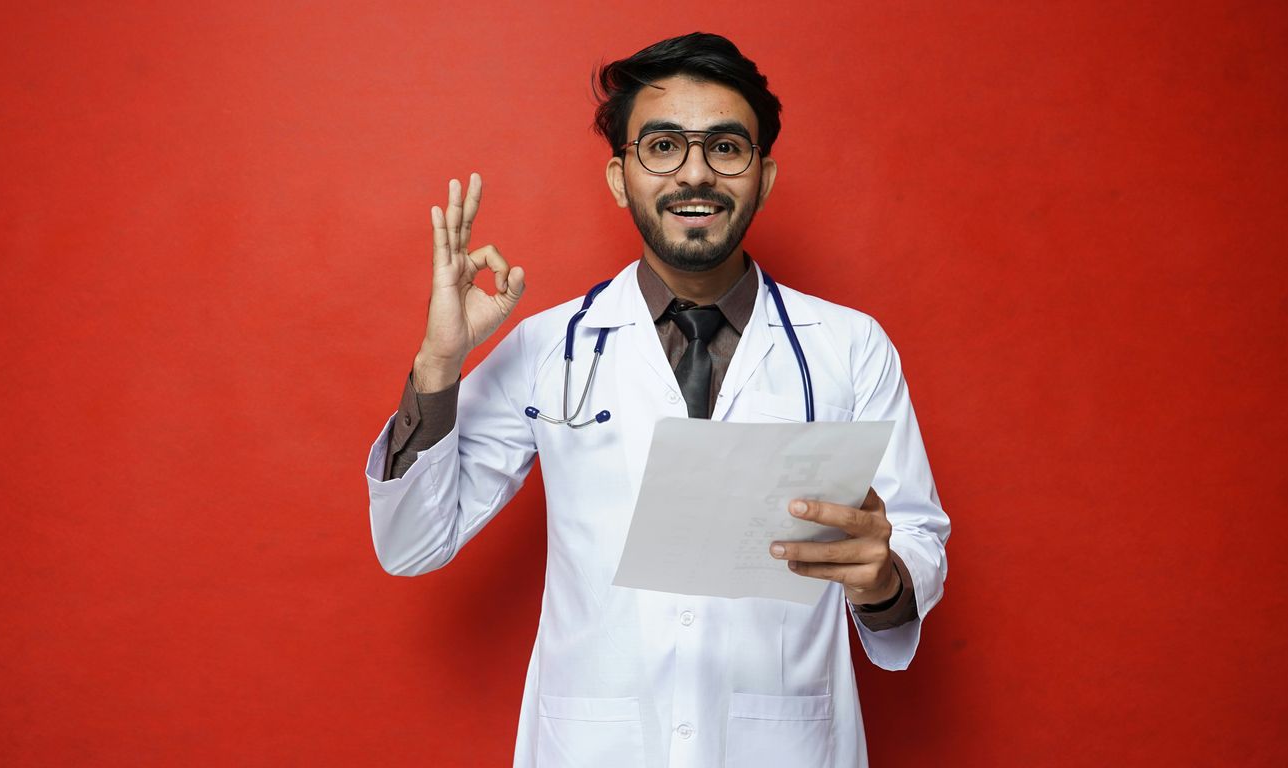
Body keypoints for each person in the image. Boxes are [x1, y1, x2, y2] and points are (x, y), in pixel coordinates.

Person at [365, 32, 949, 768]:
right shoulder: (551, 348)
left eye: (726, 148)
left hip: (785, 746)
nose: (695, 174)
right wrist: (438, 362)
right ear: (620, 178)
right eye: (663, 146)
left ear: (764, 176)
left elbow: (916, 536)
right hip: (595, 747)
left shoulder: (849, 346)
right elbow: (411, 543)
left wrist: (885, 578)